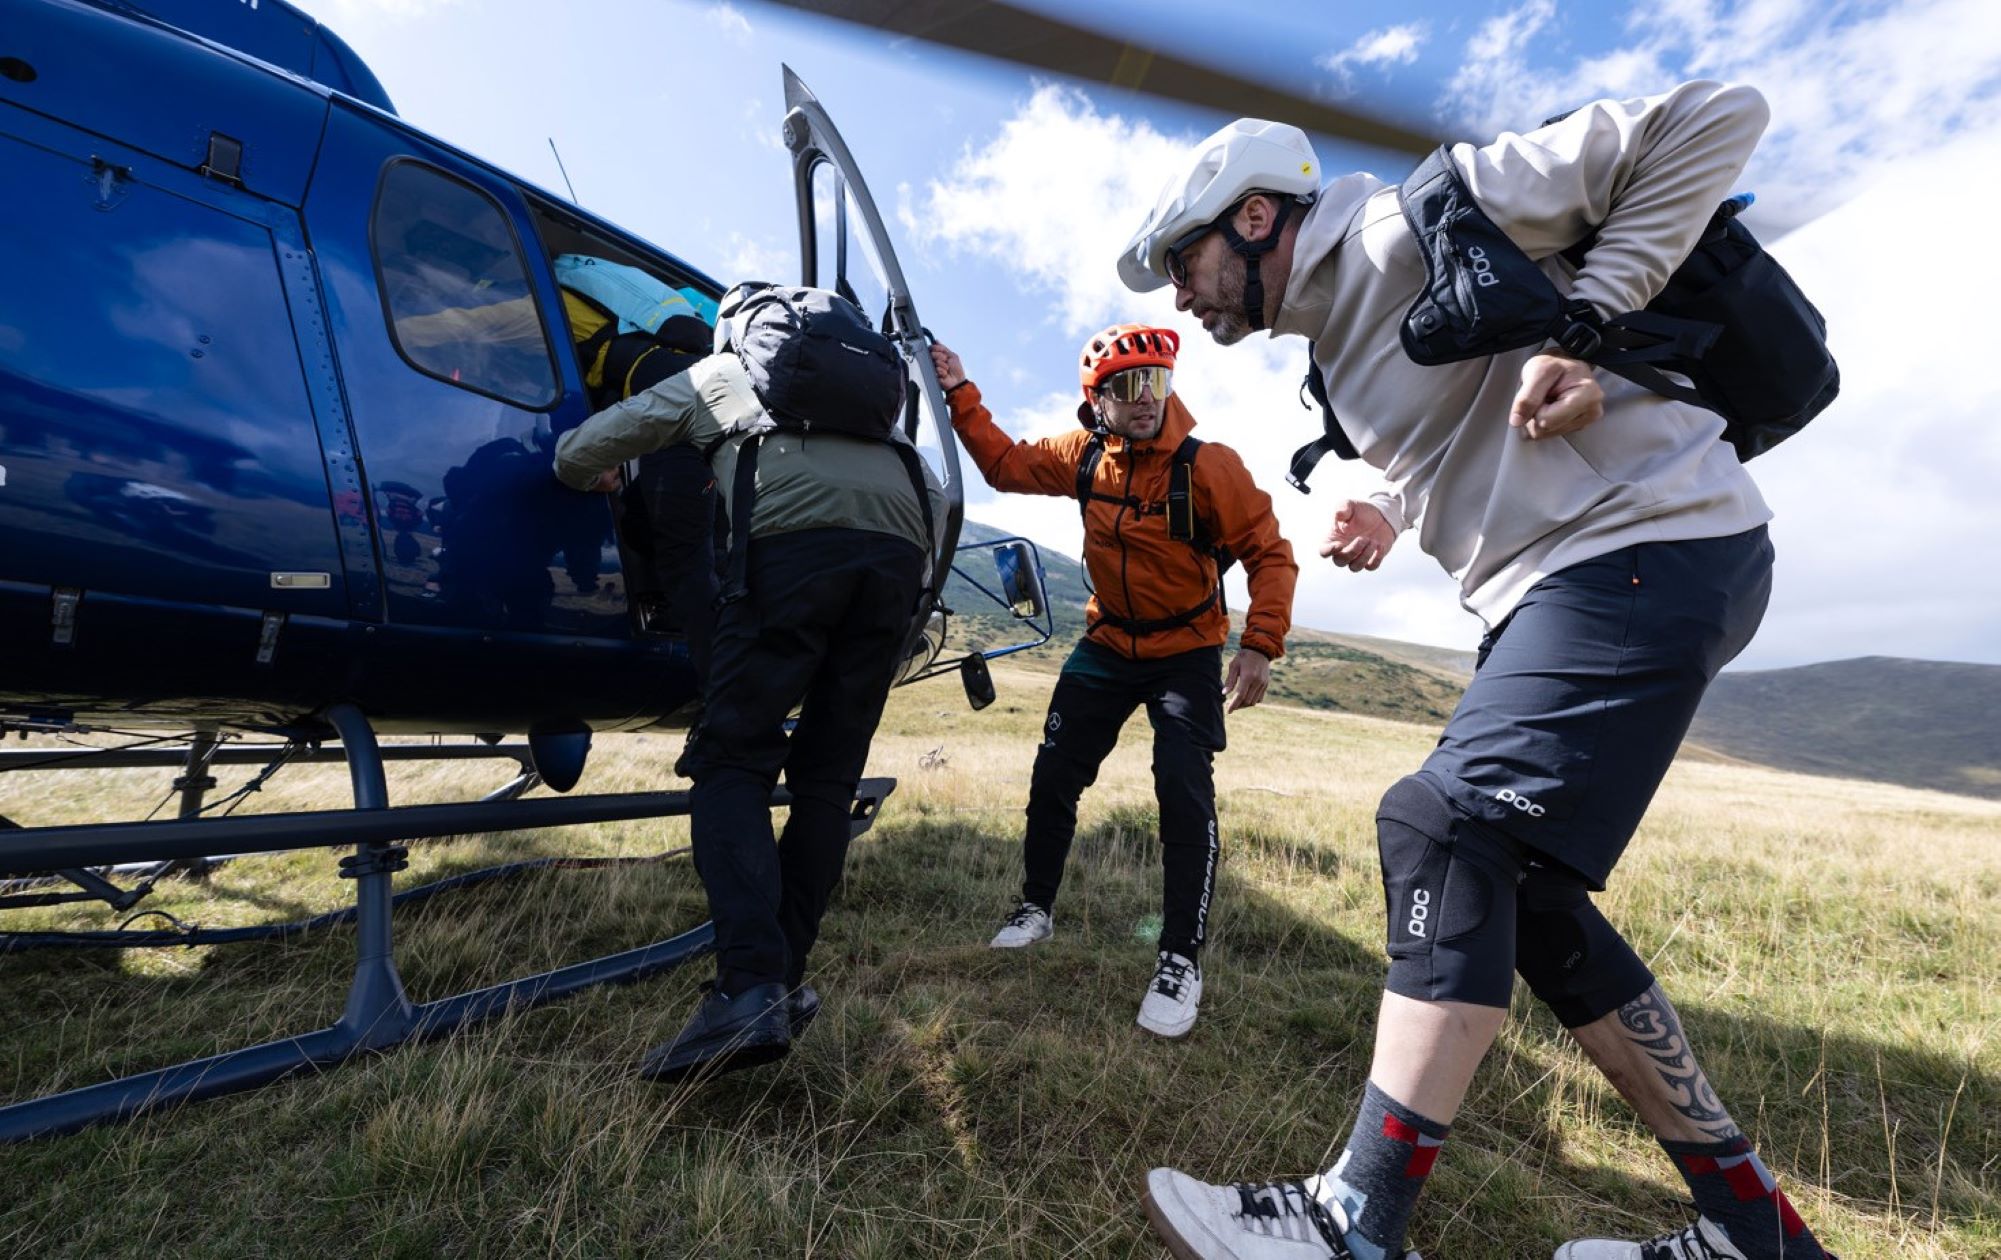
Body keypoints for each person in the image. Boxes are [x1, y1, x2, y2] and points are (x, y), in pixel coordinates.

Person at [1120, 84, 1837, 1260]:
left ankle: (1354, 1222)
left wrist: (1591, 320)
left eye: (1181, 259)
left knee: (1443, 825)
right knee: (1531, 905)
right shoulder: (1337, 355)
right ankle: (1755, 1234)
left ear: (1254, 221)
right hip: (1574, 577)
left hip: (1651, 540)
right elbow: (1464, 425)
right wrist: (1392, 510)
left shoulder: (1420, 221)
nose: (1179, 291)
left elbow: (1718, 117)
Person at [552, 283, 944, 1085]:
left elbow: (586, 445)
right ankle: (778, 980)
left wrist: (591, 473)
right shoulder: (870, 405)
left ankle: (746, 985)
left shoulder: (720, 375)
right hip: (898, 561)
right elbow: (932, 492)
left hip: (791, 556)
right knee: (827, 780)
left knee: (730, 760)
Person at [931, 325, 1297, 1038]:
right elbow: (1003, 465)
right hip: (1106, 642)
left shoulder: (1208, 467)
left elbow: (1270, 553)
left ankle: (1178, 959)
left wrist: (1259, 645)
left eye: (1155, 382)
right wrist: (959, 392)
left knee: (1182, 790)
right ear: (1095, 402)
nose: (1144, 400)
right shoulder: (1083, 457)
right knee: (1054, 775)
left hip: (1186, 650)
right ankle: (1034, 908)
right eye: (1126, 388)